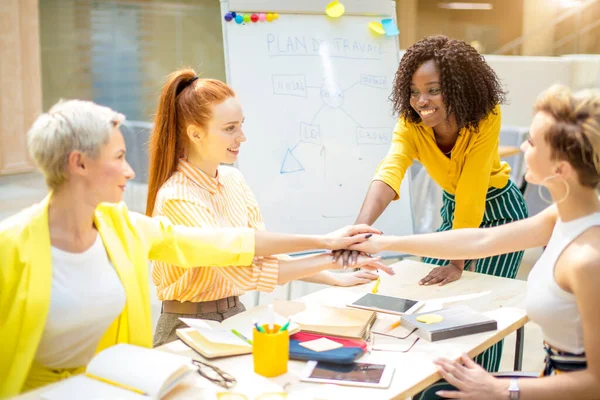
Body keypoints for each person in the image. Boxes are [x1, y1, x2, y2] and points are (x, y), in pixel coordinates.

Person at [0, 100, 381, 397]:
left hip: (114, 387)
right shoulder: (10, 247)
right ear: (78, 164)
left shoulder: (125, 229)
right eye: (118, 158)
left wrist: (326, 243)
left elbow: (225, 244)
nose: (131, 172)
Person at [349, 85, 600, 399]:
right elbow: (482, 239)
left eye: (533, 142)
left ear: (560, 169)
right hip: (547, 379)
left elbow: (596, 383)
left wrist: (499, 389)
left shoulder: (589, 259)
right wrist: (387, 243)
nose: (522, 147)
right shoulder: (561, 218)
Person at [145, 69, 392, 346]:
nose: (242, 137)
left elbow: (263, 256)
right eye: (230, 129)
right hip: (186, 328)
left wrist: (335, 277)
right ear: (195, 134)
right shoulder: (178, 197)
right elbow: (244, 271)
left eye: (241, 125)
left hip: (234, 315)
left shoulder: (233, 180)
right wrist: (332, 252)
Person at [338, 35, 528, 373]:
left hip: (498, 211)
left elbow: (472, 191)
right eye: (413, 91)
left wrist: (457, 263)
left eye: (433, 89)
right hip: (454, 210)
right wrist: (358, 230)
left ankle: (477, 388)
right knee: (426, 303)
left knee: (480, 313)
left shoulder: (485, 116)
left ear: (458, 88)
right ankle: (430, 386)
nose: (421, 100)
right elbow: (390, 171)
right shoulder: (410, 126)